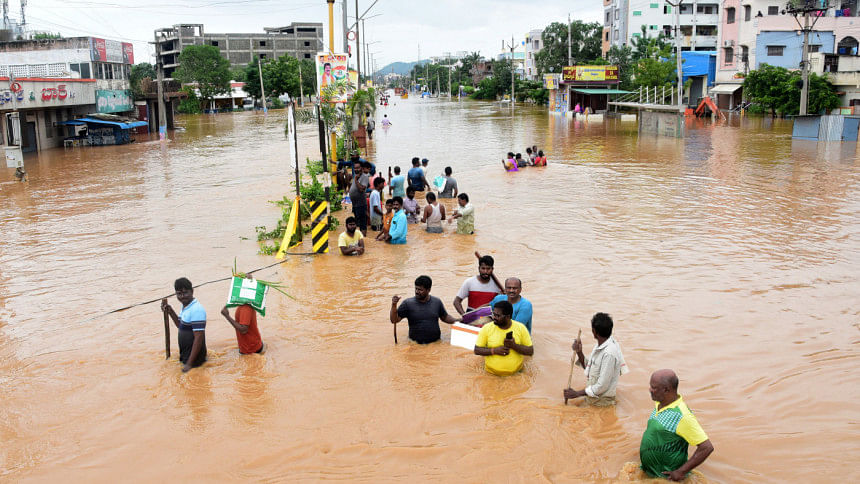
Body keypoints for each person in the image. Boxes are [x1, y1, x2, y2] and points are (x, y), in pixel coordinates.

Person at [639, 369, 714, 481]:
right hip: (650, 473)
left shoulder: (682, 416)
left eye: (654, 387)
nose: (650, 390)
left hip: (665, 478)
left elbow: (706, 447)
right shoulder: (659, 403)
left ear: (666, 390)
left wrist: (680, 472)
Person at [563, 313, 628, 406]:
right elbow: (590, 368)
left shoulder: (609, 353)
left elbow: (602, 386)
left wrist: (577, 394)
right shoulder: (600, 345)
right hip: (592, 399)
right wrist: (579, 352)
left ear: (594, 331)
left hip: (601, 403)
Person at [390, 275, 460, 344]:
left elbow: (445, 317)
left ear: (428, 290)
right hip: (415, 345)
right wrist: (394, 305)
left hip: (435, 344)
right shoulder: (407, 304)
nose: (417, 292)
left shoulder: (437, 302)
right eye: (416, 288)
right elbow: (394, 320)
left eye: (420, 289)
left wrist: (457, 321)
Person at [473, 300, 533, 376]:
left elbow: (530, 351)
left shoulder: (521, 328)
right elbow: (477, 350)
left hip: (516, 375)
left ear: (508, 317)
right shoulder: (487, 328)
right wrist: (494, 350)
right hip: (491, 374)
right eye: (493, 314)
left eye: (497, 315)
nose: (494, 317)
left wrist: (514, 346)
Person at [161, 277, 207, 372]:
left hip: (195, 361)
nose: (182, 296)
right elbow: (180, 325)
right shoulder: (186, 306)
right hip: (186, 356)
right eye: (179, 294)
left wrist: (189, 364)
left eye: (185, 293)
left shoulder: (196, 310)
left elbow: (199, 338)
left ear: (192, 291)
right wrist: (170, 311)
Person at [349, 161, 371, 235]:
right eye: (355, 168)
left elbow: (361, 189)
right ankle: (360, 238)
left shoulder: (364, 177)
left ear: (361, 168)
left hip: (361, 204)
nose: (356, 169)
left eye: (358, 168)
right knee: (357, 223)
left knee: (362, 224)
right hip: (355, 204)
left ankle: (364, 239)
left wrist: (355, 180)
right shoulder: (356, 176)